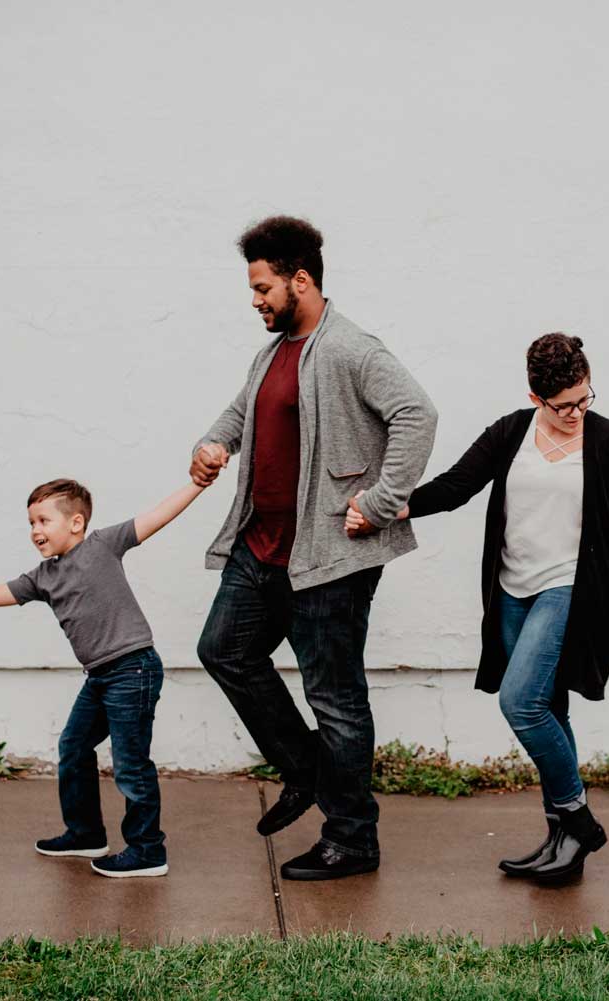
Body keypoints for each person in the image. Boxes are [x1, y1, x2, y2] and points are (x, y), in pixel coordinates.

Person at [346, 333, 609, 881]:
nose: (577, 413)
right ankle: (563, 845)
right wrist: (385, 509)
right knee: (550, 709)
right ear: (536, 398)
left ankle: (579, 821)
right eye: (564, 406)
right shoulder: (512, 432)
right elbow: (456, 486)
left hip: (571, 589)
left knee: (521, 703)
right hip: (511, 591)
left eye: (585, 399)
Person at [192, 216, 437, 881]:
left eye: (263, 286)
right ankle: (305, 771)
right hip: (262, 547)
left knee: (336, 699)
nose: (255, 299)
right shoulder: (273, 352)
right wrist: (213, 444)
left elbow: (418, 413)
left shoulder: (350, 348)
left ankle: (353, 838)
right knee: (223, 649)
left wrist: (381, 501)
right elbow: (243, 411)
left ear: (301, 280)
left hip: (327, 558)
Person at [0, 476, 204, 877]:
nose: (35, 531)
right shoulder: (43, 577)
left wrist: (197, 484)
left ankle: (148, 850)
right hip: (99, 676)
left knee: (131, 764)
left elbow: (157, 517)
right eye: (31, 523)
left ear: (76, 523)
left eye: (44, 521)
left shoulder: (103, 544)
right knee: (74, 745)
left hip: (133, 669)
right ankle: (85, 834)